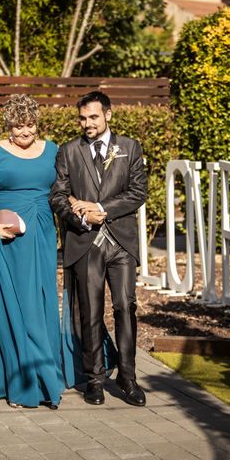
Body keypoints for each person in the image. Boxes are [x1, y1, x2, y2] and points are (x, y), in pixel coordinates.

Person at [49, 91, 148, 407]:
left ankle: (128, 377)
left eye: (93, 116)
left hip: (121, 243)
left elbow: (138, 192)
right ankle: (94, 379)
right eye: (82, 118)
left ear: (108, 114)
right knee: (89, 313)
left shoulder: (129, 148)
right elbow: (58, 196)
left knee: (125, 306)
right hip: (85, 243)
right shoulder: (69, 151)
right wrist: (79, 214)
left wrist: (102, 207)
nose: (87, 123)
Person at [0, 94, 64, 409]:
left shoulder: (52, 150)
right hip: (11, 241)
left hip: (44, 236)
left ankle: (47, 375)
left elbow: (64, 191)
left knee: (43, 301)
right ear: (8, 125)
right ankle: (27, 385)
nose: (25, 132)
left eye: (31, 125)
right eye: (19, 126)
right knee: (22, 307)